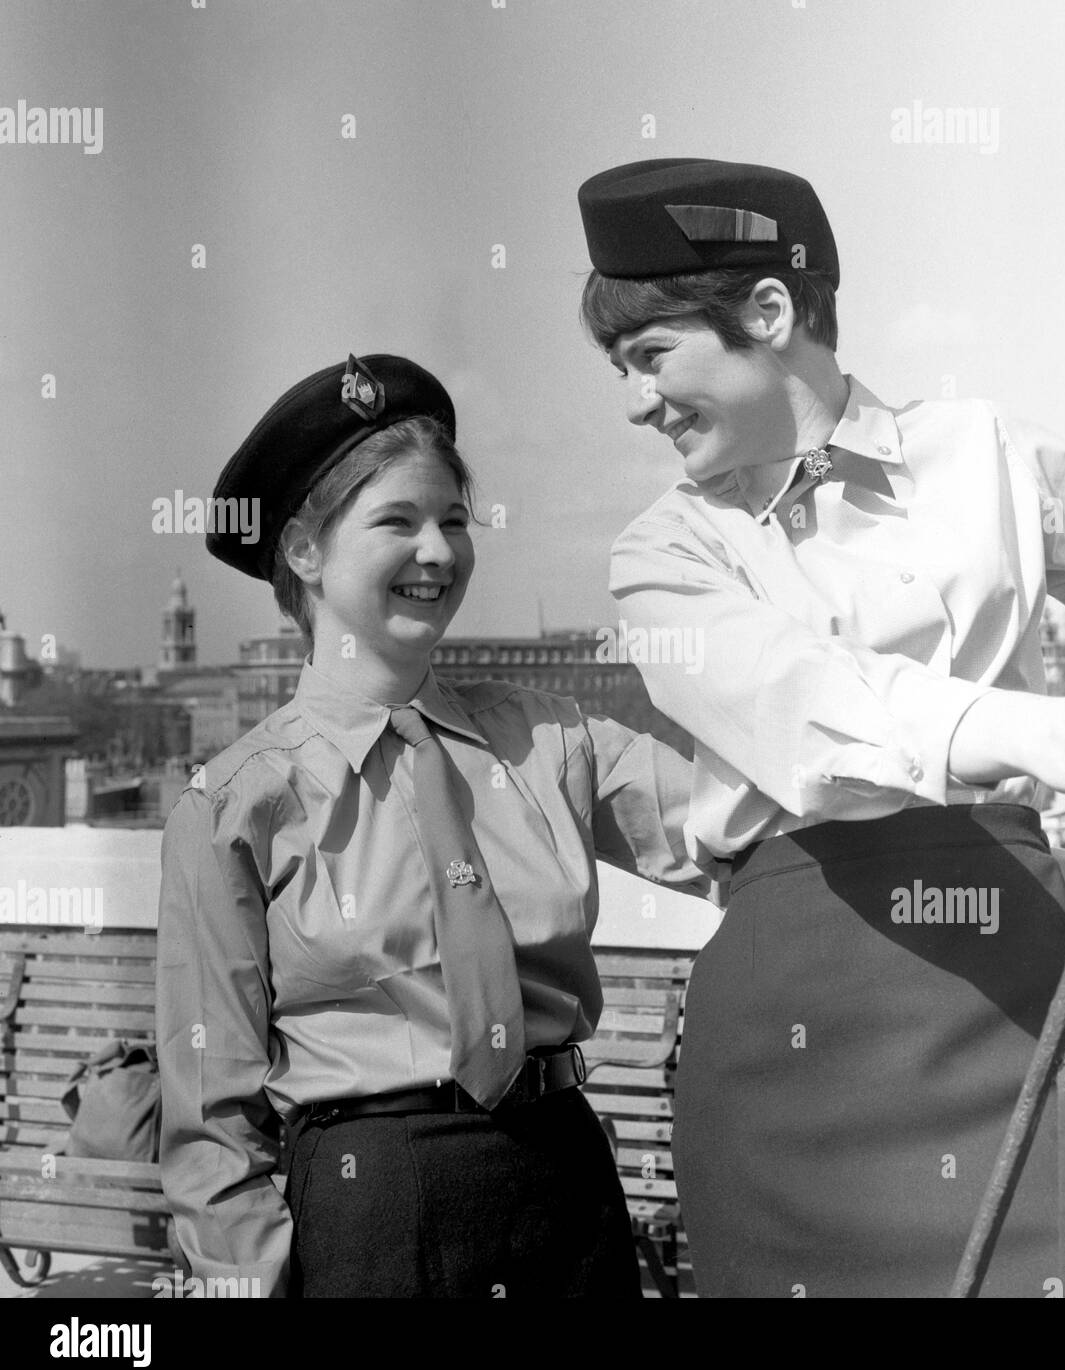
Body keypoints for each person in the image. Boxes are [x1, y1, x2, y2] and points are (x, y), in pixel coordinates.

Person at [575, 158, 1065, 1297]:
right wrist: (1044, 734)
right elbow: (805, 702)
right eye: (619, 367)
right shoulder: (663, 555)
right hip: (794, 1052)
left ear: (766, 314)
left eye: (651, 355)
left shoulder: (987, 452)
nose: (631, 398)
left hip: (1021, 998)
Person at [154, 353, 717, 1298]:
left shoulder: (556, 740)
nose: (438, 552)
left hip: (564, 1182)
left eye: (454, 520)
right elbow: (212, 1117)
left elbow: (744, 830)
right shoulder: (233, 804)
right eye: (397, 521)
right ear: (301, 551)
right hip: (370, 1206)